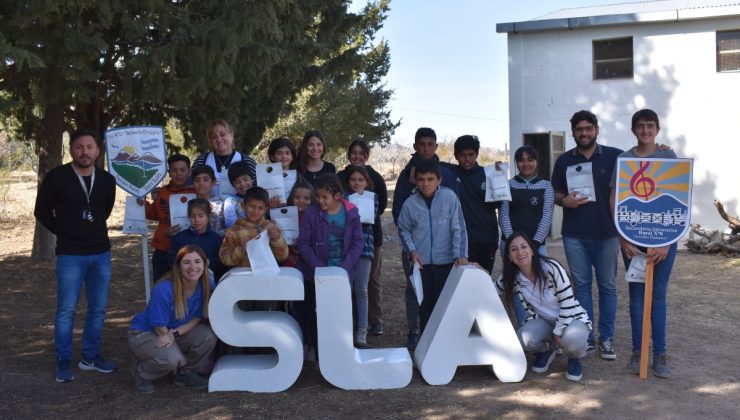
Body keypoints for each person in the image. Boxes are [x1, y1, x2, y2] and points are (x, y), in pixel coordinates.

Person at [34, 128, 118, 383]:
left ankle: (90, 356)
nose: (85, 152)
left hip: (100, 253)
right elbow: (42, 210)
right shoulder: (57, 177)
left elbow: (105, 210)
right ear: (71, 149)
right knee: (66, 310)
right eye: (79, 147)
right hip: (70, 254)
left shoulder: (106, 180)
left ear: (97, 151)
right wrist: (65, 230)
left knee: (98, 310)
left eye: (89, 147)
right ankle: (63, 359)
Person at [610, 109, 679, 378]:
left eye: (650, 126)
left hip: (665, 242)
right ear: (634, 130)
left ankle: (660, 354)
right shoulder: (624, 160)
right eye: (640, 126)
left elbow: (679, 198)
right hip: (632, 241)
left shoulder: (669, 157)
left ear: (657, 129)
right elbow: (614, 199)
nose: (646, 130)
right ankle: (639, 352)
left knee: (658, 294)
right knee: (637, 296)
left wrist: (666, 241)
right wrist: (623, 238)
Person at [551, 110, 622, 360]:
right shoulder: (563, 161)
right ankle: (587, 337)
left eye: (588, 128)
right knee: (580, 288)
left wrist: (661, 151)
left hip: (607, 233)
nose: (584, 133)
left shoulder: (615, 156)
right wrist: (564, 200)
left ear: (596, 130)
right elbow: (555, 193)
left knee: (608, 287)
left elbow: (641, 166)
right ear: (573, 133)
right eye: (579, 129)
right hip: (575, 235)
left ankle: (607, 338)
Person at [392, 127, 459, 350]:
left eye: (430, 144)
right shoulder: (406, 176)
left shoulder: (447, 175)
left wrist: (458, 252)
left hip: (443, 253)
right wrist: (410, 248)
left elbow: (456, 218)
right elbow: (400, 215)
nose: (426, 148)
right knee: (415, 291)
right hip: (416, 250)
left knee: (442, 293)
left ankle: (442, 336)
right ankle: (415, 332)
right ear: (415, 146)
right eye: (422, 144)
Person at [496, 233, 591, 382]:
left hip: (572, 318)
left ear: (532, 250)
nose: (520, 252)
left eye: (524, 247)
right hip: (544, 321)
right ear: (509, 257)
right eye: (514, 249)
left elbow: (567, 301)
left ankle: (574, 358)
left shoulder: (551, 268)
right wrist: (479, 271)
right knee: (523, 340)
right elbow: (491, 290)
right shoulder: (511, 277)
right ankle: (547, 351)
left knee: (573, 340)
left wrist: (558, 332)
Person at [128, 245, 217, 393]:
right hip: (147, 332)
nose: (192, 267)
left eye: (197, 261)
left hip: (173, 332)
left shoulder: (206, 286)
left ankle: (184, 373)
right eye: (187, 262)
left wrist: (173, 336)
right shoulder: (164, 289)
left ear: (205, 264)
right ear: (178, 267)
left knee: (208, 336)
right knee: (173, 360)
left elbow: (196, 318)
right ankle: (141, 372)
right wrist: (177, 351)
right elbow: (158, 326)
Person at [397, 159, 468, 335]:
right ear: (415, 180)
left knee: (446, 306)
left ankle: (446, 345)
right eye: (421, 179)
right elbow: (403, 230)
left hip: (447, 263)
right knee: (425, 307)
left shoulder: (449, 198)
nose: (425, 183)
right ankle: (426, 348)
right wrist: (412, 251)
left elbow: (459, 228)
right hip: (422, 265)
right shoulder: (410, 204)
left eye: (430, 179)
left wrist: (460, 254)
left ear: (439, 180)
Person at [298, 174, 364, 357]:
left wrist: (344, 267)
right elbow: (304, 244)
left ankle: (342, 351)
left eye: (324, 197)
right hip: (315, 274)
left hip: (343, 274)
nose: (319, 200)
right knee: (318, 314)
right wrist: (319, 267)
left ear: (337, 196)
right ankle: (320, 352)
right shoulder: (312, 213)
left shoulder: (351, 212)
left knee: (341, 313)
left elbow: (358, 243)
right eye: (317, 196)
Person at [337, 139, 388, 336]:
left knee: (371, 280)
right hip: (345, 242)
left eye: (362, 153)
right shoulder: (341, 177)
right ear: (349, 155)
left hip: (370, 238)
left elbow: (381, 206)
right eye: (354, 152)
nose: (357, 156)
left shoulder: (376, 178)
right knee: (349, 283)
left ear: (367, 155)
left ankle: (375, 320)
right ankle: (352, 321)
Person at [444, 134, 500, 273]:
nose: (467, 159)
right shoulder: (450, 173)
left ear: (476, 154)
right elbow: (430, 163)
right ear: (456, 156)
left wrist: (499, 176)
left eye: (471, 154)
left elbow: (499, 203)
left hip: (487, 238)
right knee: (463, 282)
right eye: (462, 155)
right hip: (463, 241)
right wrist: (413, 167)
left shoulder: (488, 174)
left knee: (484, 279)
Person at [140, 154, 195, 282]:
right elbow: (154, 214)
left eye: (182, 170)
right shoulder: (163, 192)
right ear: (169, 173)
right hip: (163, 249)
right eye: (174, 170)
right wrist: (144, 204)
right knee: (162, 288)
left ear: (189, 171)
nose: (178, 174)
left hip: (188, 250)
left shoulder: (195, 192)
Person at [342, 165, 380, 347]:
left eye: (360, 180)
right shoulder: (342, 199)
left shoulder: (373, 198)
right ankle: (346, 328)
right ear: (348, 182)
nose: (356, 183)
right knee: (346, 289)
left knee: (362, 289)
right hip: (346, 249)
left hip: (365, 248)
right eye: (353, 180)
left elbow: (369, 218)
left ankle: (362, 329)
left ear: (366, 182)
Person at [499, 145, 554, 257]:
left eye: (530, 160)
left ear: (536, 162)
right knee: (511, 275)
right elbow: (503, 215)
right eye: (521, 160)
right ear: (516, 163)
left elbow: (547, 217)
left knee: (538, 274)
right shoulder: (507, 185)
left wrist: (535, 243)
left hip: (537, 245)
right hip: (510, 243)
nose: (526, 164)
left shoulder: (546, 186)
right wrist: (512, 242)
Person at [219, 186, 289, 270]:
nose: (255, 211)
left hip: (267, 276)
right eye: (252, 206)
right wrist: (242, 249)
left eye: (260, 208)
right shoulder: (234, 231)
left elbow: (283, 256)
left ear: (265, 209)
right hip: (243, 278)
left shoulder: (270, 227)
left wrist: (276, 239)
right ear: (243, 206)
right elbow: (224, 258)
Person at [191, 119, 257, 199]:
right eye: (214, 137)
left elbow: (256, 189)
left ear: (231, 135)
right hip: (207, 209)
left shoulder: (247, 161)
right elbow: (193, 186)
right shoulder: (201, 161)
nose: (219, 139)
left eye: (222, 135)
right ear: (210, 141)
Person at [168, 198, 225, 280]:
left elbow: (221, 262)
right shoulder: (179, 237)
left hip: (208, 282)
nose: (197, 220)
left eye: (201, 216)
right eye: (193, 216)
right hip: (183, 280)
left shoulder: (216, 239)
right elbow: (171, 259)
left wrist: (210, 262)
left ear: (208, 216)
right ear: (188, 217)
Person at [191, 165, 225, 236]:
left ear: (213, 182)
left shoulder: (222, 204)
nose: (201, 183)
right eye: (197, 180)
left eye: (205, 179)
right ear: (193, 184)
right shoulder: (190, 203)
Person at [267, 136, 298, 208]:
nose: (284, 156)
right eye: (279, 153)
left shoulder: (299, 178)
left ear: (292, 156)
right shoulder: (265, 178)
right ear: (272, 157)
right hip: (270, 217)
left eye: (287, 153)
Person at [223, 160, 253, 229]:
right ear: (232, 185)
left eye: (245, 179)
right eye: (237, 182)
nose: (242, 184)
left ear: (252, 179)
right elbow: (230, 224)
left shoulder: (260, 197)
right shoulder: (230, 202)